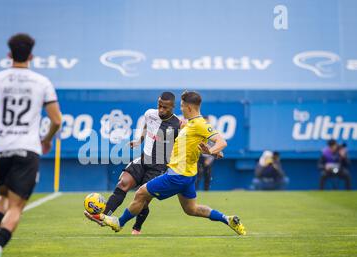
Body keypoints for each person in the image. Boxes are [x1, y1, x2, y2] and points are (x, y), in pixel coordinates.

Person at [0, 33, 62, 257]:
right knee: (16, 207)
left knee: (4, 197)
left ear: (9, 55)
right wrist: (47, 139)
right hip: (27, 148)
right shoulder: (42, 82)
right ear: (31, 56)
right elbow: (57, 120)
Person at [94, 91, 246, 236]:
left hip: (177, 175)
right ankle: (227, 219)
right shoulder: (191, 125)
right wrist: (210, 151)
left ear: (189, 107)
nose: (180, 109)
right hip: (188, 176)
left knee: (140, 193)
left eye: (181, 105)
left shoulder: (199, 124)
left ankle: (119, 223)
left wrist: (213, 151)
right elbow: (202, 147)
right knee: (191, 209)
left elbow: (221, 142)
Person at [84, 92, 181, 235]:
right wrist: (139, 140)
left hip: (159, 166)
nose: (161, 110)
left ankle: (137, 227)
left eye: (165, 107)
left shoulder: (178, 125)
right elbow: (147, 127)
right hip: (143, 159)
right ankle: (103, 215)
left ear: (173, 107)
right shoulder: (150, 114)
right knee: (123, 183)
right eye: (159, 106)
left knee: (142, 199)